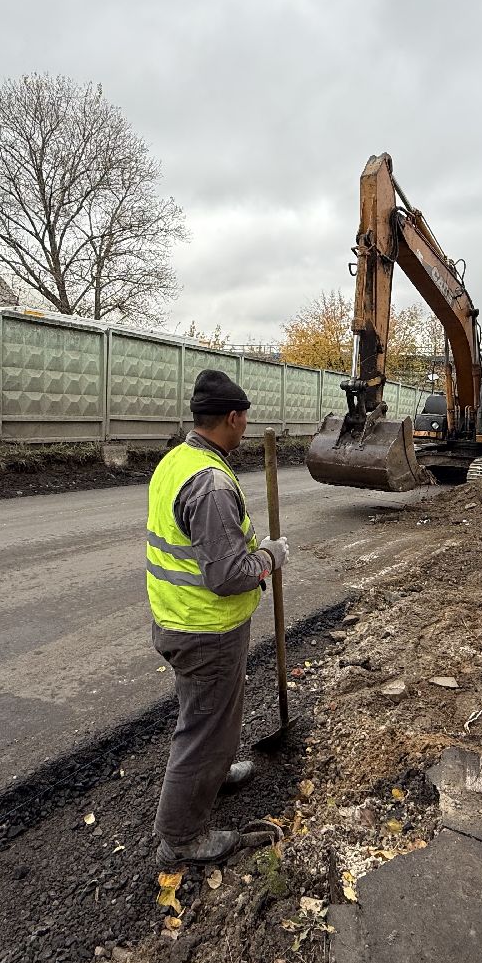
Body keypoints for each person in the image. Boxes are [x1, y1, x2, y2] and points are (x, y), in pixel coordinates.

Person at [145, 369, 290, 864]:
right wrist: (270, 557)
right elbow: (227, 574)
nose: (246, 428)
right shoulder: (210, 485)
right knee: (204, 728)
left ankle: (215, 769)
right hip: (206, 629)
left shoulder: (177, 461)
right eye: (244, 420)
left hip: (180, 621)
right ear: (231, 417)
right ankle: (182, 839)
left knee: (206, 716)